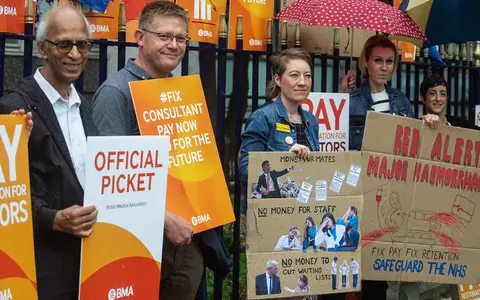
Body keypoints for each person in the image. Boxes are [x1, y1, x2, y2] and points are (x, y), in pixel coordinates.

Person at [91, 2, 231, 299]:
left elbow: (190, 161)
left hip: (188, 241)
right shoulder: (115, 93)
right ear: (140, 37)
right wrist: (165, 220)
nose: (174, 45)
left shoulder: (180, 91)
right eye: (164, 36)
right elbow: (111, 184)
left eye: (181, 38)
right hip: (140, 242)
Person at [0, 6, 98, 299]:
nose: (74, 54)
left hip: (88, 263)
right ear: (42, 48)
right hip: (42, 268)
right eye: (64, 44)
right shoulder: (14, 108)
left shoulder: (84, 106)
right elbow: (6, 193)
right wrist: (51, 218)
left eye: (82, 44)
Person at [239, 47, 320, 184]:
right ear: (278, 80)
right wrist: (282, 160)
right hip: (273, 204)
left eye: (307, 75)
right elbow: (245, 173)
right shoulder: (262, 118)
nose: (302, 82)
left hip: (305, 203)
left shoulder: (311, 121)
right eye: (294, 75)